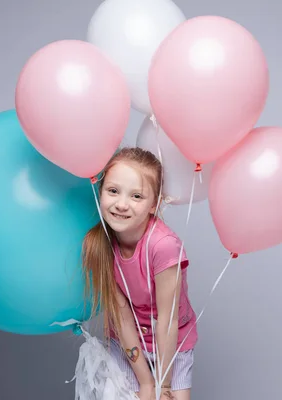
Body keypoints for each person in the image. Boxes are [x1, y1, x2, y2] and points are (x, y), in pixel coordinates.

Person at [82, 147, 198, 400]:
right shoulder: (100, 244)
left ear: (154, 205)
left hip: (172, 344)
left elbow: (168, 320)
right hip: (128, 342)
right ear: (100, 192)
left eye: (136, 196)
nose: (122, 204)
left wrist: (162, 386)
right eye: (113, 191)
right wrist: (146, 382)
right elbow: (121, 315)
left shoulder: (163, 245)